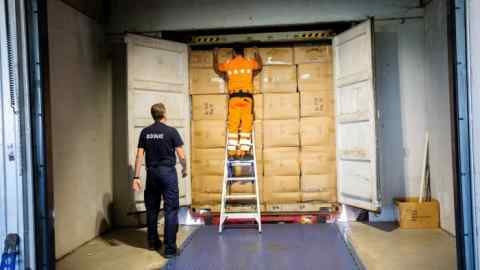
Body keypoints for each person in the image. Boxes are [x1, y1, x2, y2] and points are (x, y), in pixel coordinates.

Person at [131, 103, 187, 258]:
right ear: (164, 114)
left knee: (152, 208)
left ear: (152, 115)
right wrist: (184, 168)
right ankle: (169, 250)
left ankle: (153, 242)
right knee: (171, 210)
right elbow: (181, 155)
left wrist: (136, 177)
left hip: (152, 174)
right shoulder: (171, 132)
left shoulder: (145, 132)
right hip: (168, 173)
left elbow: (139, 156)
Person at [214, 44, 262, 159]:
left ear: (234, 53)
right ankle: (243, 151)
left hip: (234, 98)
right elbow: (259, 66)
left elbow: (217, 68)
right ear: (243, 52)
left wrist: (215, 55)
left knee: (233, 124)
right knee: (246, 123)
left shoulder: (229, 64)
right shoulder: (249, 63)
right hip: (247, 98)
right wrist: (256, 53)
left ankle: (231, 152)